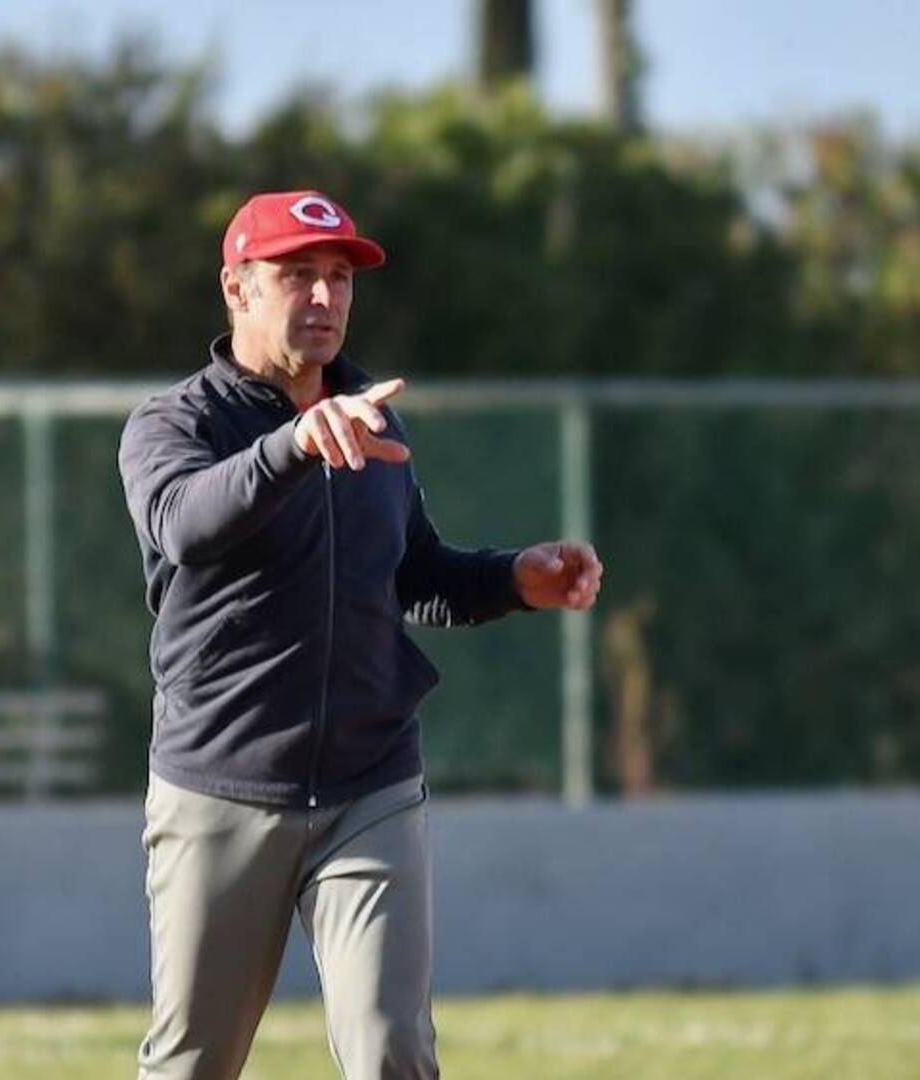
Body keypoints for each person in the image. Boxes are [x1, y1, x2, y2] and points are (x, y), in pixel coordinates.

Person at [118, 189, 603, 1079]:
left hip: (369, 785)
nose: (325, 297)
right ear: (237, 289)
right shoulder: (175, 422)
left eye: (339, 278)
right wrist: (296, 445)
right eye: (296, 275)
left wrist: (511, 579)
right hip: (222, 790)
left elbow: (412, 575)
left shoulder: (371, 414)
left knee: (393, 1054)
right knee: (192, 1064)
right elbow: (183, 523)